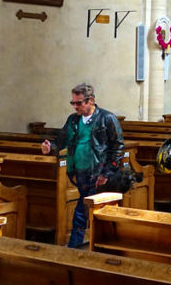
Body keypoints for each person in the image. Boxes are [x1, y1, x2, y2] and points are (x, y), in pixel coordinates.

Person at [41, 83, 124, 248]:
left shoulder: (107, 118)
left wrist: (106, 174)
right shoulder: (73, 120)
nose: (75, 106)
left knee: (84, 211)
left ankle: (77, 248)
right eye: (73, 103)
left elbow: (118, 147)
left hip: (99, 174)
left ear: (91, 100)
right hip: (80, 173)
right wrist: (50, 147)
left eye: (79, 103)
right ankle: (90, 247)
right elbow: (61, 141)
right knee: (87, 210)